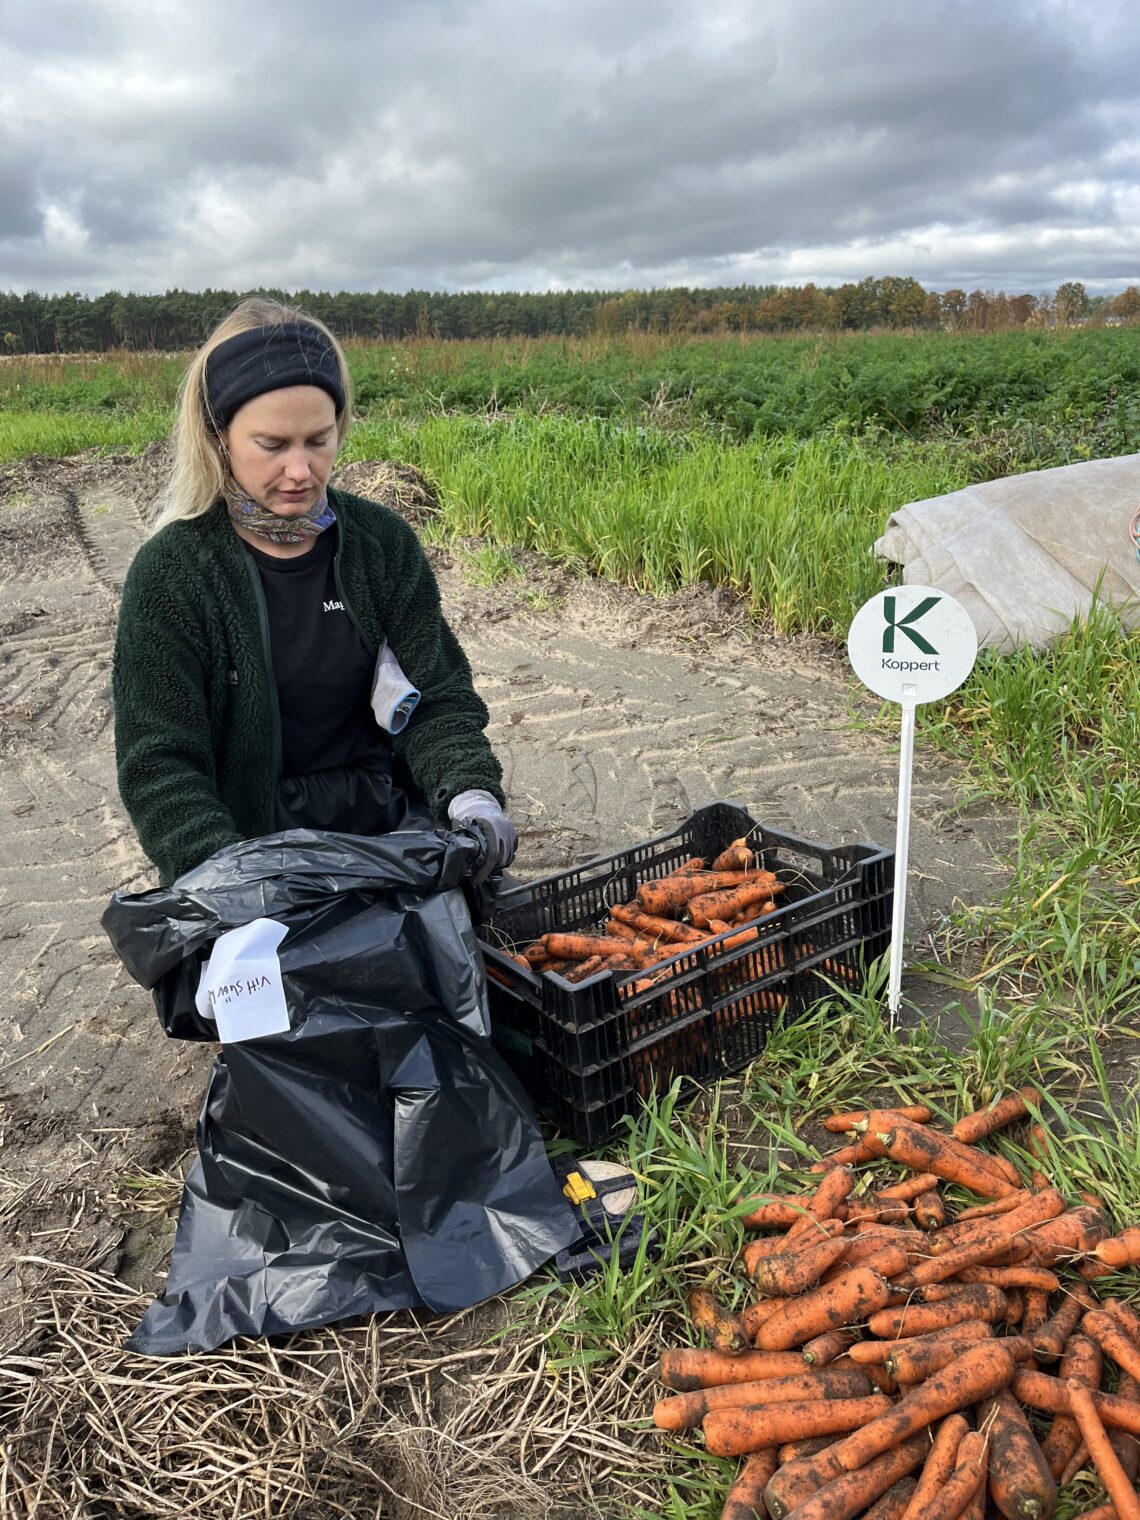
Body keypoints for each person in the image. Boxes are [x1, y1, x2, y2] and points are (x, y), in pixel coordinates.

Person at [112, 298, 517, 887]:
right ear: (219, 437)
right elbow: (161, 765)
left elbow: (437, 698)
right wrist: (226, 876)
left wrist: (472, 795)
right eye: (273, 446)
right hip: (253, 848)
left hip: (392, 830)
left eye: (318, 440)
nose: (302, 470)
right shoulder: (173, 573)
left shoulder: (382, 545)